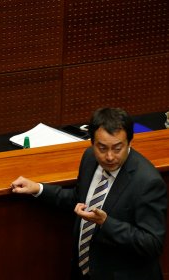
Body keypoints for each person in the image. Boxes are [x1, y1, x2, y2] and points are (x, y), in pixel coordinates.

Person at [11, 108, 167, 280]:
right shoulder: (89, 158)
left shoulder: (148, 182)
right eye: (102, 148)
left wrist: (105, 222)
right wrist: (38, 189)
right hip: (86, 270)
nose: (109, 157)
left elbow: (152, 244)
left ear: (129, 142)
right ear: (92, 143)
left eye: (117, 148)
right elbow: (79, 199)